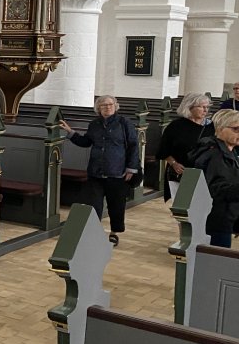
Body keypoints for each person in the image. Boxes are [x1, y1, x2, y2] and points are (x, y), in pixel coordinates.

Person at [59, 95, 140, 246]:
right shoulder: (94, 124)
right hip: (96, 172)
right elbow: (86, 142)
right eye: (103, 105)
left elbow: (134, 145)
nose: (107, 107)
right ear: (98, 108)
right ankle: (94, 232)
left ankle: (114, 233)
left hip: (118, 172)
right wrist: (70, 132)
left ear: (115, 106)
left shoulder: (124, 123)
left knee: (116, 205)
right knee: (94, 205)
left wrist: (132, 168)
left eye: (110, 104)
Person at [189, 108, 239, 248]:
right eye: (236, 129)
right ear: (220, 128)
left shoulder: (229, 150)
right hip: (217, 219)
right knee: (218, 257)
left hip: (227, 216)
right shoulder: (215, 155)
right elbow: (217, 189)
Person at [156, 93, 213, 201]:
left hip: (205, 173)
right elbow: (163, 149)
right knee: (183, 205)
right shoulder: (176, 126)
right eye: (202, 107)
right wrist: (174, 163)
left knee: (202, 205)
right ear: (189, 107)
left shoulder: (211, 127)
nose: (205, 110)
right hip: (182, 172)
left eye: (207, 107)